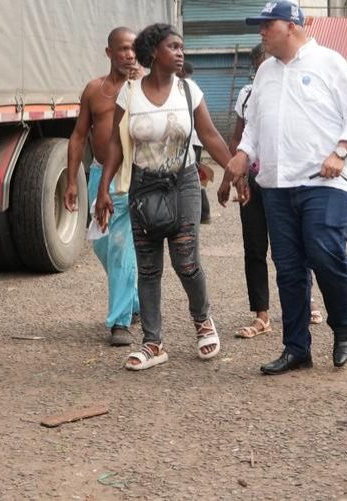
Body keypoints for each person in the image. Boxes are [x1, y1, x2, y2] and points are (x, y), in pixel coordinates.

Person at [222, 0, 347, 375]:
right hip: (277, 184)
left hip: (326, 180)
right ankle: (296, 348)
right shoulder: (265, 73)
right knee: (288, 268)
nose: (261, 32)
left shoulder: (329, 63)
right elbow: (254, 124)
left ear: (291, 26)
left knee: (323, 250)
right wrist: (242, 154)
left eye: (266, 25)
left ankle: (344, 328)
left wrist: (340, 152)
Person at [96, 23, 238, 371]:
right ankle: (153, 343)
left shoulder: (189, 90)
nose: (180, 53)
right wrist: (104, 188)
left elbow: (211, 135)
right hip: (143, 186)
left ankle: (203, 320)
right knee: (148, 269)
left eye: (181, 47)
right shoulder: (129, 94)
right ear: (154, 52)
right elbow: (116, 143)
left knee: (186, 261)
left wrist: (235, 171)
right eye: (173, 47)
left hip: (183, 183)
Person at [222, 43, 322, 340]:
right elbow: (239, 138)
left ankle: (307, 302)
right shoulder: (248, 95)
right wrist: (233, 179)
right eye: (262, 62)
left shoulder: (296, 91)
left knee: (291, 248)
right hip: (253, 179)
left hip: (285, 179)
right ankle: (261, 315)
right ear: (257, 67)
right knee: (254, 247)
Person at [64, 28, 141, 346]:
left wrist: (140, 82)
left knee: (122, 245)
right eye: (123, 49)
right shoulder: (94, 90)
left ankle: (119, 322)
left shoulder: (144, 87)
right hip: (100, 175)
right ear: (109, 52)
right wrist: (71, 180)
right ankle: (134, 301)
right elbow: (79, 136)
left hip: (131, 177)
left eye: (134, 49)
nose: (129, 55)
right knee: (101, 244)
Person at [180, 61, 214, 224]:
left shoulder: (186, 87)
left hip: (192, 140)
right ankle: (203, 214)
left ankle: (204, 213)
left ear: (181, 70)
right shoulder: (191, 85)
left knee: (194, 175)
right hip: (196, 140)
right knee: (196, 174)